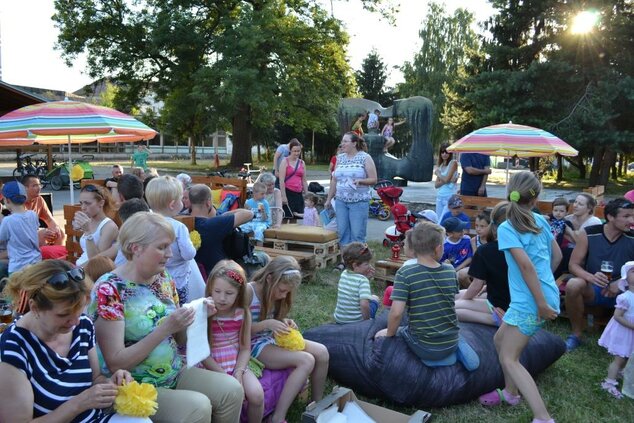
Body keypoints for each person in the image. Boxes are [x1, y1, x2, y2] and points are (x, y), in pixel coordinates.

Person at [88, 212, 244, 423]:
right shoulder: (110, 289)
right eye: (162, 247)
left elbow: (179, 340)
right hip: (135, 385)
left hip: (171, 372)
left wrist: (196, 316)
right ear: (136, 248)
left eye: (169, 246)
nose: (170, 254)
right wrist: (165, 328)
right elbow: (116, 363)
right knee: (197, 407)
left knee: (231, 389)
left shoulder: (163, 278)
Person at [0, 260, 146, 423]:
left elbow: (94, 378)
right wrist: (78, 404)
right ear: (34, 308)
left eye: (79, 312)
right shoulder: (13, 349)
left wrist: (110, 384)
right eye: (63, 315)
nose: (75, 322)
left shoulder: (83, 325)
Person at [478, 172, 561, 423]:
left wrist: (541, 303)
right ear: (536, 198)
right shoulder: (540, 221)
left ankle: (543, 417)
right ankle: (511, 393)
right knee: (499, 340)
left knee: (509, 357)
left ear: (510, 192)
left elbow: (526, 267)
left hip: (532, 301)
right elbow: (555, 257)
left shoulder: (506, 227)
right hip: (536, 295)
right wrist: (546, 288)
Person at [247, 256, 329, 423]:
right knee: (306, 360)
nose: (283, 296)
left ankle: (316, 406)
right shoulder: (250, 292)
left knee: (322, 352)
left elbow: (273, 320)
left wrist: (283, 322)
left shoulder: (277, 295)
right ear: (269, 278)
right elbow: (238, 329)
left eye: (287, 292)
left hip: (271, 339)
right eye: (282, 290)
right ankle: (277, 417)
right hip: (253, 344)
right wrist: (267, 324)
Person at [375, 222, 467, 365]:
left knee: (381, 334)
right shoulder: (450, 271)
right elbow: (449, 301)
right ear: (438, 248)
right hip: (451, 342)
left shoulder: (405, 273)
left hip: (424, 347)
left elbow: (397, 313)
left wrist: (389, 334)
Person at [564, 197, 634, 352]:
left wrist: (622, 283)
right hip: (594, 288)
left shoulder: (632, 236)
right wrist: (591, 277)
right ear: (610, 217)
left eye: (633, 216)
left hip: (625, 293)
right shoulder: (589, 234)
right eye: (627, 216)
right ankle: (576, 335)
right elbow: (573, 265)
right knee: (574, 284)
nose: (632, 220)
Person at [203, 260, 264, 423]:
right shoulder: (204, 312)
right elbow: (202, 353)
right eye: (217, 291)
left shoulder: (242, 313)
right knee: (228, 398)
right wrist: (226, 378)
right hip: (210, 364)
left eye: (229, 293)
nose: (222, 298)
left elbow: (245, 348)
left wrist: (238, 372)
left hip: (236, 361)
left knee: (257, 395)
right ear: (210, 289)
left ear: (239, 293)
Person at [145, 175, 205, 304]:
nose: (183, 202)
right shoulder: (178, 227)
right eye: (181, 199)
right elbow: (188, 254)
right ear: (172, 204)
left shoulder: (145, 222)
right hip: (177, 279)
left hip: (151, 276)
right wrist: (193, 247)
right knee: (178, 304)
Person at [455, 202, 511, 327]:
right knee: (456, 295)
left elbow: (476, 286)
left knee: (452, 309)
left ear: (492, 226)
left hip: (500, 306)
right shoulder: (521, 248)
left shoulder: (486, 250)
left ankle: (499, 320)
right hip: (506, 299)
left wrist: (465, 301)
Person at [325, 132, 378, 258]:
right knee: (343, 232)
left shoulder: (365, 157)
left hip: (359, 201)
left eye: (345, 141)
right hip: (341, 201)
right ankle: (346, 261)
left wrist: (361, 181)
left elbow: (374, 179)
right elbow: (334, 180)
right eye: (342, 141)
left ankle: (359, 262)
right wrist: (329, 199)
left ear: (354, 143)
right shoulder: (340, 158)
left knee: (357, 234)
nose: (342, 144)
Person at [190, 184, 254, 275]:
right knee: (262, 258)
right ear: (208, 203)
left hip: (195, 273)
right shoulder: (214, 224)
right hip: (218, 274)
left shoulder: (183, 223)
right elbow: (249, 214)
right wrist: (224, 216)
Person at [597, 261, 634, 399]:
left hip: (631, 332)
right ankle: (609, 383)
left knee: (628, 355)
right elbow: (617, 316)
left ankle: (620, 372)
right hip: (624, 332)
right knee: (619, 358)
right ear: (625, 278)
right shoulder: (625, 297)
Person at [0, 181, 41, 274]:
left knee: (15, 288)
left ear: (7, 200)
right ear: (25, 197)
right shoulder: (33, 215)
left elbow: (1, 238)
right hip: (36, 264)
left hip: (17, 268)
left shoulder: (8, 221)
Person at [72, 184, 118, 266]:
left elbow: (96, 262)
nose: (83, 207)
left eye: (87, 203)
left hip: (91, 273)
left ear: (101, 203)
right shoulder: (89, 221)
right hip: (79, 266)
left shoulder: (109, 226)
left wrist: (87, 231)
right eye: (81, 203)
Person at [333, 242, 379, 323]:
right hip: (356, 322)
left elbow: (353, 288)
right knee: (375, 298)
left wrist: (366, 277)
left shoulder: (344, 274)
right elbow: (364, 304)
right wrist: (367, 321)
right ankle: (369, 325)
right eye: (366, 264)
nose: (369, 266)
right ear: (355, 265)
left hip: (339, 320)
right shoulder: (362, 281)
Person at [22, 175, 65, 246]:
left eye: (39, 185)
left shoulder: (39, 199)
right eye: (35, 186)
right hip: (22, 234)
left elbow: (49, 219)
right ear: (25, 188)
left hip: (35, 231)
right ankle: (43, 256)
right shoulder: (18, 201)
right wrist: (41, 232)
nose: (39, 188)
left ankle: (56, 255)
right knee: (42, 235)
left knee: (60, 233)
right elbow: (21, 228)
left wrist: (55, 228)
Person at [278, 139, 308, 219]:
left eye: (298, 151)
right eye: (294, 151)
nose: (297, 153)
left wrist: (307, 194)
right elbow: (281, 180)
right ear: (290, 150)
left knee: (300, 216)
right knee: (289, 217)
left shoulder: (302, 163)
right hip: (288, 192)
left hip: (298, 193)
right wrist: (283, 196)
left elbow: (304, 180)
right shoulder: (285, 161)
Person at [240, 182, 271, 246]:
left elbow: (265, 219)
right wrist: (246, 210)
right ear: (254, 193)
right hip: (251, 222)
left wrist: (263, 211)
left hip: (262, 222)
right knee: (240, 228)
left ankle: (259, 251)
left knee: (258, 231)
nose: (264, 196)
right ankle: (243, 248)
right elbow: (245, 217)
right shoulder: (249, 202)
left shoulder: (265, 203)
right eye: (262, 194)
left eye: (265, 194)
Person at [434, 143, 459, 218]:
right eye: (442, 152)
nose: (444, 154)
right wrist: (449, 180)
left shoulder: (453, 163)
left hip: (449, 196)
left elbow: (446, 179)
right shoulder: (441, 165)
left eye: (446, 152)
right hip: (439, 196)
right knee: (439, 221)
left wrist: (438, 173)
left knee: (446, 220)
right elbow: (436, 185)